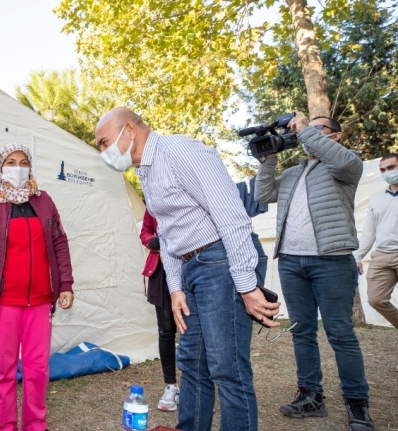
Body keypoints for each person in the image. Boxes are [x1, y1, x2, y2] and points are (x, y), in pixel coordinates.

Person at [96, 107, 280, 431]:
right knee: (192, 363)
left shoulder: (179, 151)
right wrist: (176, 287)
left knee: (227, 367)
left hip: (221, 261)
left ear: (129, 130)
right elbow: (167, 234)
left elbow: (231, 216)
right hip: (192, 267)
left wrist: (246, 286)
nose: (103, 152)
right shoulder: (146, 171)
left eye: (103, 142)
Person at [254, 113, 374, 431]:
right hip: (292, 263)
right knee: (302, 332)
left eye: (318, 128)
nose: (303, 132)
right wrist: (267, 159)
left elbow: (339, 158)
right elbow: (262, 195)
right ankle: (311, 397)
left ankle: (357, 403)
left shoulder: (346, 165)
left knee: (340, 334)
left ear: (334, 136)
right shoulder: (294, 173)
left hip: (332, 262)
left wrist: (306, 127)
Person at [0, 143, 75, 431]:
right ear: (0, 167)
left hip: (40, 302)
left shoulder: (44, 200)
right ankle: (3, 426)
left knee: (38, 370)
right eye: (11, 162)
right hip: (3, 303)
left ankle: (36, 424)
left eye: (23, 161)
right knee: (4, 371)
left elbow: (60, 243)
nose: (18, 167)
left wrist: (65, 284)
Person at [355, 153, 398, 353]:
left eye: (391, 167)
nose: (387, 172)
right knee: (376, 299)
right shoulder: (377, 199)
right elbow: (369, 231)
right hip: (381, 255)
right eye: (383, 170)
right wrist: (358, 256)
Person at [140, 209, 179, 412]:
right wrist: (153, 242)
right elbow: (145, 232)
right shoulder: (153, 202)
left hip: (189, 269)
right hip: (161, 273)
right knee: (166, 332)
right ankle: (171, 386)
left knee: (195, 333)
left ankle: (196, 389)